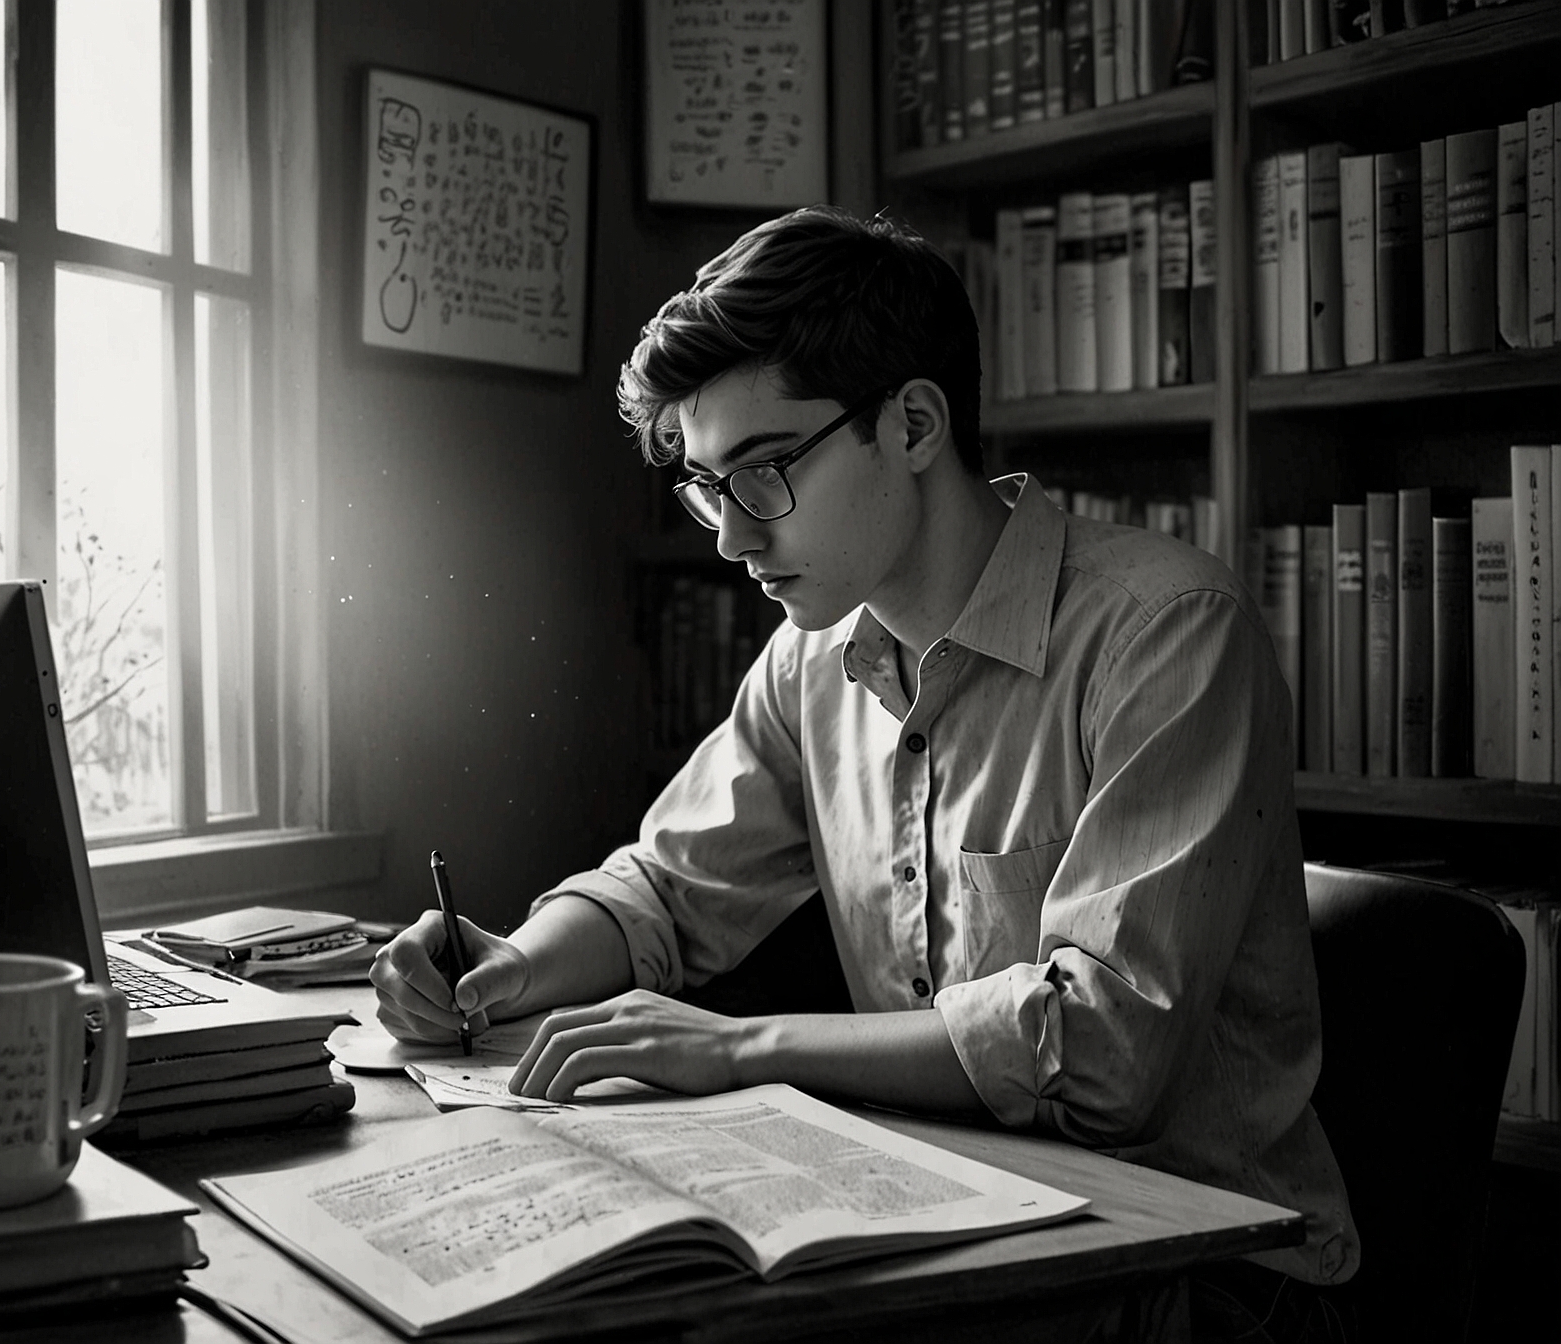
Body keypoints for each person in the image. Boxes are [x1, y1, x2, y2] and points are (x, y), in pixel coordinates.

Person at [371, 206, 1357, 1338]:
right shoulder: (811, 660)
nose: (733, 540)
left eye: (766, 471)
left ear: (915, 423)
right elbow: (667, 886)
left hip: (1203, 1272)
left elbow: (1103, 1048)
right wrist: (514, 966)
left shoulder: (1168, 631)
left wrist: (743, 1048)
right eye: (705, 488)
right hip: (948, 1224)